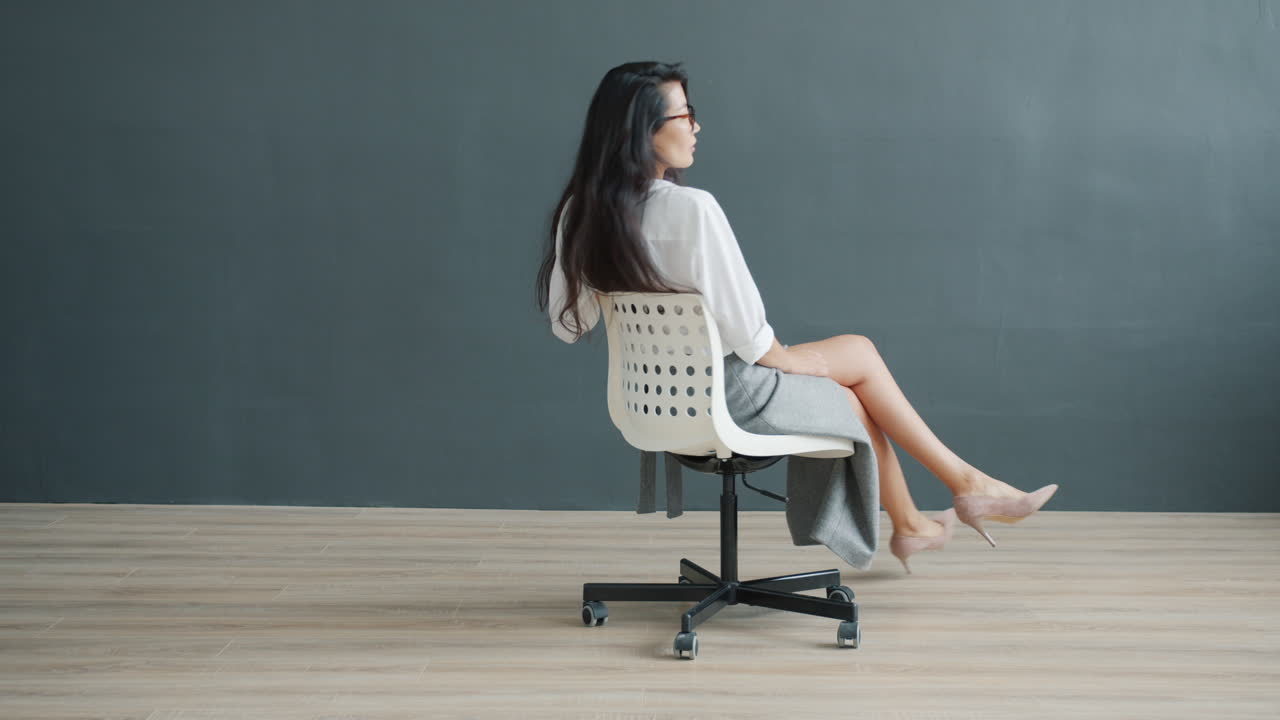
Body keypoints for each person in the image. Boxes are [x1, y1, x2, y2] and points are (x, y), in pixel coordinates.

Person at [534, 61, 1058, 573]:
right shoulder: (693, 208)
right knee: (856, 367)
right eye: (685, 114)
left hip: (651, 400)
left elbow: (569, 324)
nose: (697, 126)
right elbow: (748, 331)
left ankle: (918, 520)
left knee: (853, 380)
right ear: (643, 130)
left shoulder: (580, 212)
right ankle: (964, 489)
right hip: (730, 394)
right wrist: (789, 361)